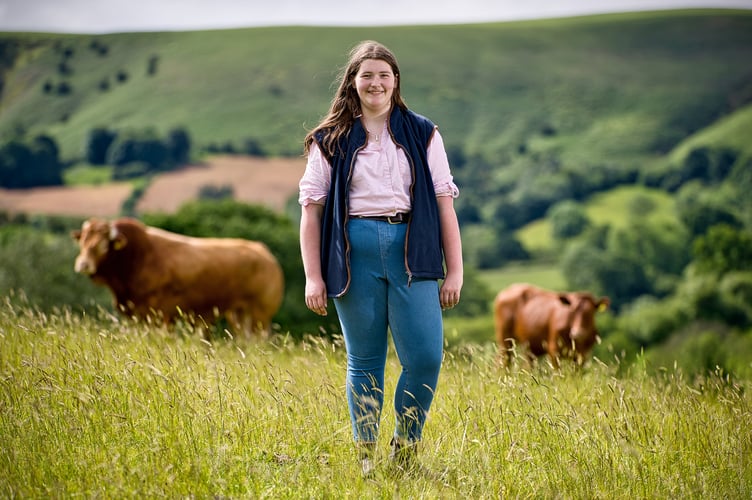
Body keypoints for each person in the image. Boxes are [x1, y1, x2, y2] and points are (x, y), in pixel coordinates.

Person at [298, 40, 463, 474]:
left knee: (425, 356)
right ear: (353, 81)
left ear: (395, 81)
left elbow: (445, 204)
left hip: (414, 248)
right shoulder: (328, 138)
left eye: (383, 74)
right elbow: (311, 211)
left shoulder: (424, 131)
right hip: (353, 253)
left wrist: (455, 271)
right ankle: (367, 459)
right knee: (365, 360)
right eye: (366, 74)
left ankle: (405, 451)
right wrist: (313, 277)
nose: (375, 82)